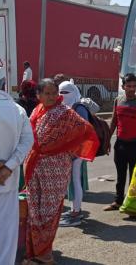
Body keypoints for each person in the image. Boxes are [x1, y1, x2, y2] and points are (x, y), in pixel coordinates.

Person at [22, 78, 99, 265]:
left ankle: (44, 255)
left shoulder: (65, 113)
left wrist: (66, 150)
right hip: (34, 167)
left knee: (48, 211)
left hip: (55, 170)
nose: (51, 97)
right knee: (34, 210)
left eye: (54, 93)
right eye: (46, 93)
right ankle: (35, 252)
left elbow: (85, 130)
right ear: (38, 95)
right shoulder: (37, 111)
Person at [0, 66, 33, 265]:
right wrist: (8, 167)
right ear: (4, 84)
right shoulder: (17, 110)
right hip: (7, 180)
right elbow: (27, 141)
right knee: (5, 232)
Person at [103, 73, 136, 211]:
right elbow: (113, 122)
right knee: (120, 176)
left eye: (134, 86)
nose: (132, 88)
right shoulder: (118, 100)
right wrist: (107, 142)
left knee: (134, 178)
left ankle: (132, 205)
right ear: (123, 86)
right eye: (129, 86)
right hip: (120, 145)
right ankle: (118, 201)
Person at [58, 81, 90, 227]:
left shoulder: (79, 108)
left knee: (75, 180)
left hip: (77, 152)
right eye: (60, 92)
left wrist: (75, 151)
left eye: (66, 92)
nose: (62, 95)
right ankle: (73, 210)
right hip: (67, 151)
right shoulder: (64, 108)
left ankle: (76, 212)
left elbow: (84, 131)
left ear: (74, 92)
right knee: (70, 182)